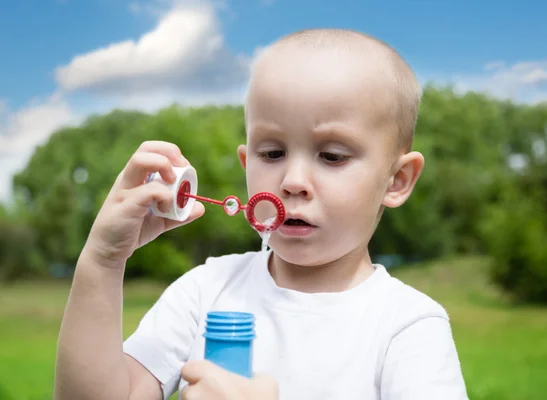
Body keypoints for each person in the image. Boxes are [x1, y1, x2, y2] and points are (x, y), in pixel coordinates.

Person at [54, 28, 469, 400]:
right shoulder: (205, 291)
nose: (292, 180)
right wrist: (102, 262)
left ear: (396, 180)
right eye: (271, 153)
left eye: (332, 156)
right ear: (246, 164)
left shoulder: (408, 328)